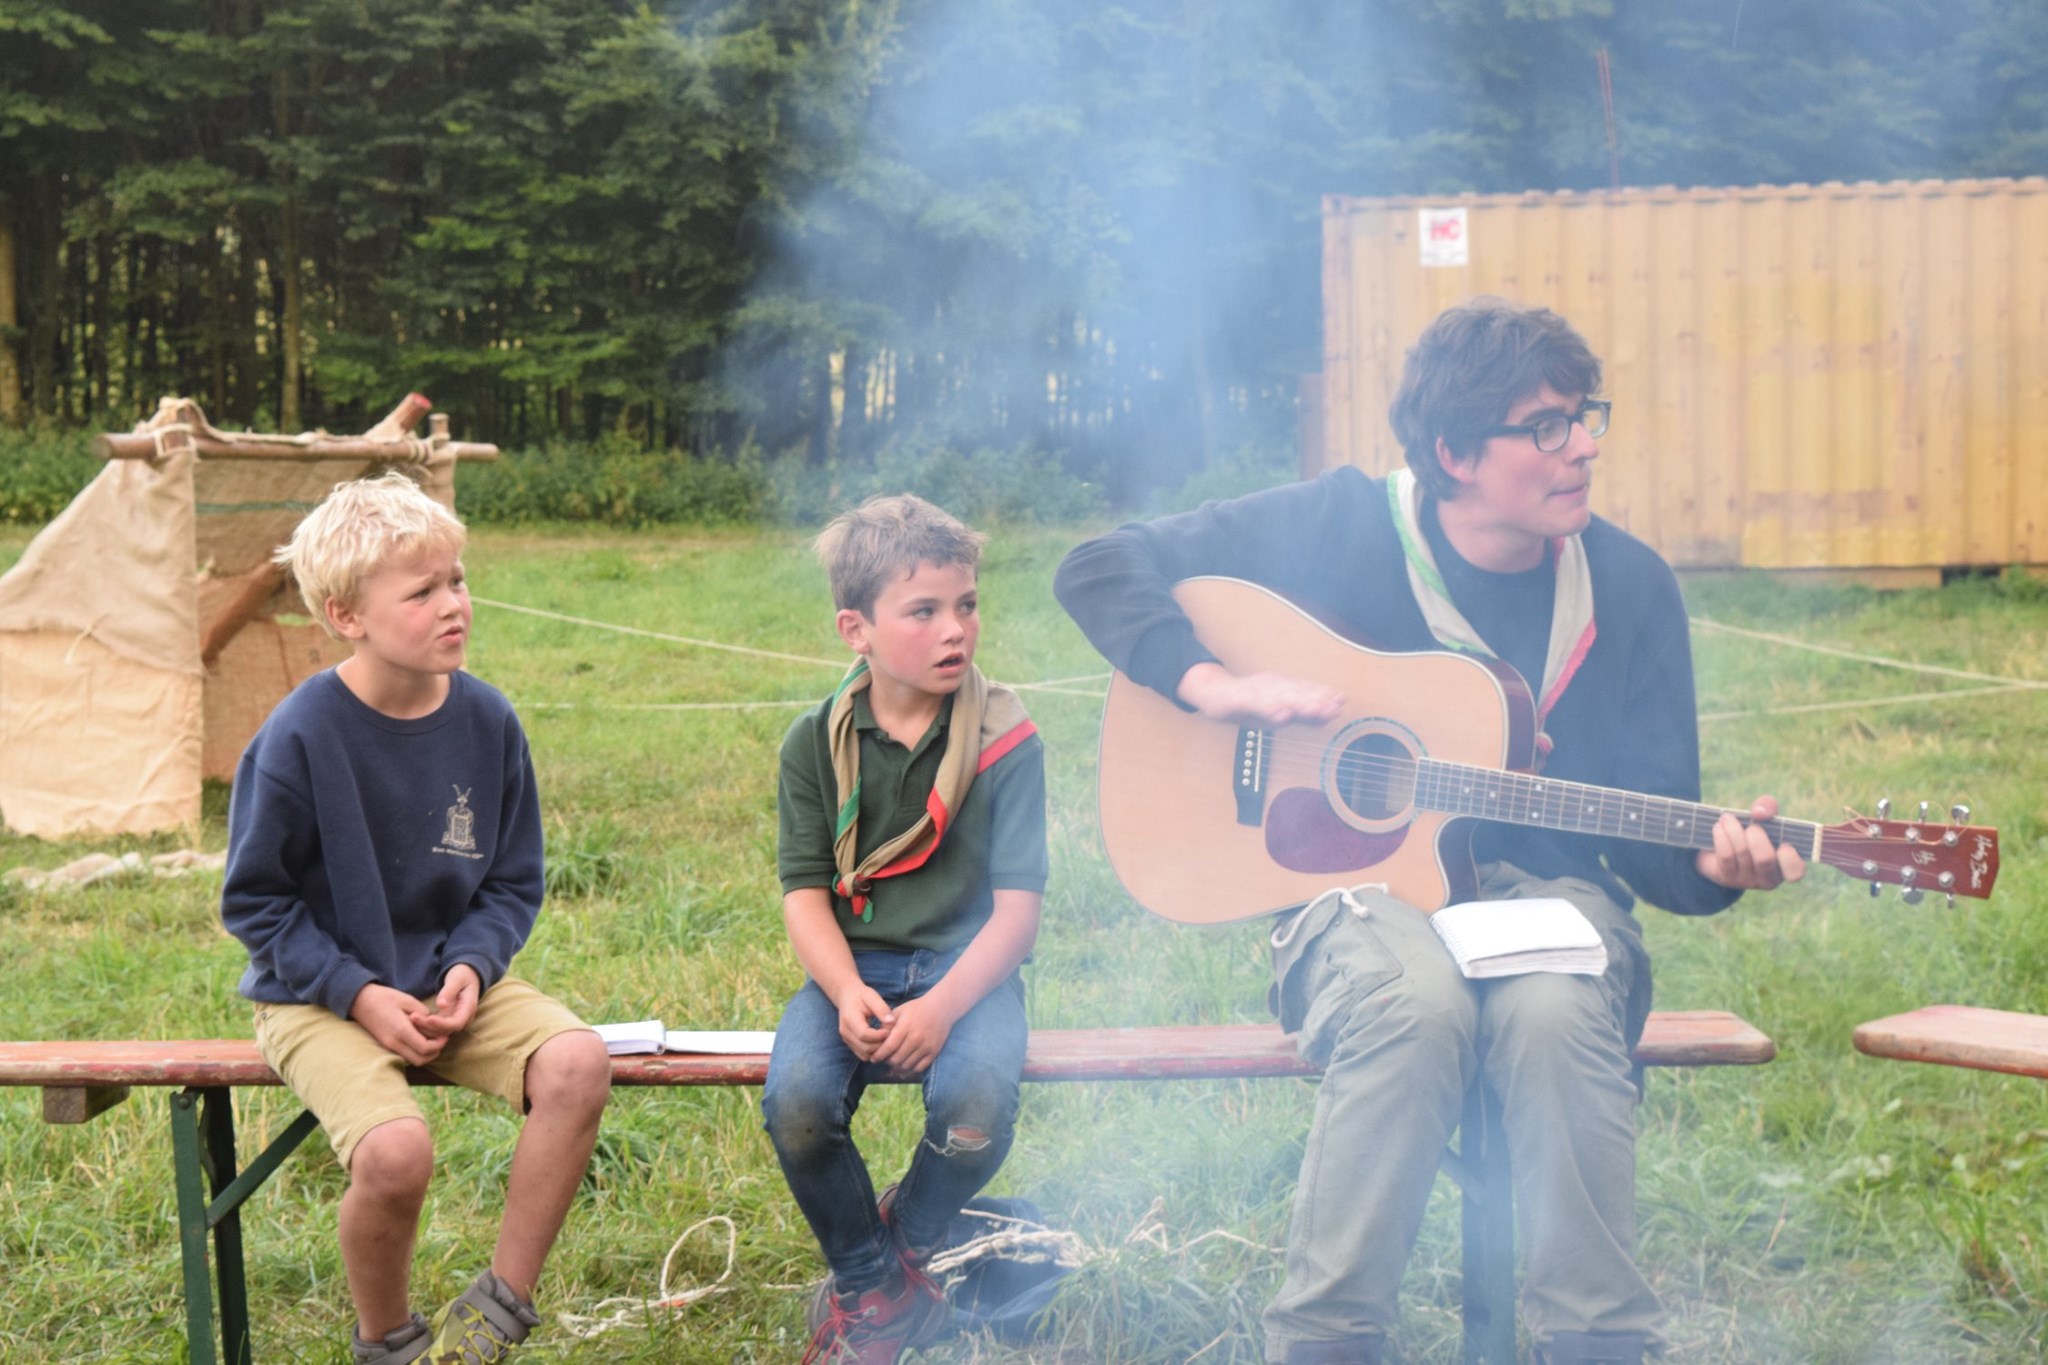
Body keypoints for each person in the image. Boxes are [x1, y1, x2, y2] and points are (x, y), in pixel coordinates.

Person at [1054, 298, 1805, 1365]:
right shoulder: (1340, 521)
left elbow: (1647, 826)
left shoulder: (1627, 585)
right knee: (1409, 1005)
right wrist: (1212, 685)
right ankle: (1323, 1345)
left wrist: (1713, 864)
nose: (1580, 446)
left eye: (1583, 417)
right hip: (1352, 894)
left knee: (1551, 1017)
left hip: (1548, 897)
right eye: (1543, 428)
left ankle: (1596, 1346)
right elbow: (1094, 566)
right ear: (1452, 453)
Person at [220, 471, 611, 1365]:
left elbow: (511, 883)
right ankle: (387, 1343)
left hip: (447, 980)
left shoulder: (490, 720)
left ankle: (493, 1317)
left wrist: (472, 967)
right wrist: (358, 994)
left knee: (579, 1061)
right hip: (315, 995)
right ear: (345, 614)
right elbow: (254, 901)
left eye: (459, 580)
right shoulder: (297, 735)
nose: (454, 605)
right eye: (424, 590)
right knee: (396, 1153)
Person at [764, 494, 1048, 1364]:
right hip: (858, 968)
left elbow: (1019, 913)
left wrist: (944, 1009)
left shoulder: (1006, 738)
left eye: (966, 604)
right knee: (799, 1106)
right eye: (923, 610)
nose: (954, 629)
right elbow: (805, 893)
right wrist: (847, 990)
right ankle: (873, 1283)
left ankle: (894, 1265)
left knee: (973, 1113)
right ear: (857, 628)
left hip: (973, 972)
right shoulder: (814, 742)